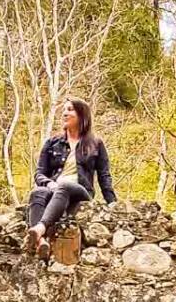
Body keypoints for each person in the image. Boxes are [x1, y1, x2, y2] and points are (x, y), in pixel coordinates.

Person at [23, 98, 116, 257]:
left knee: (65, 185)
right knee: (37, 192)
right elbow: (39, 173)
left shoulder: (96, 143)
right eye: (64, 110)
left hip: (80, 192)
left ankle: (40, 228)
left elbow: (104, 176)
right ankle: (41, 242)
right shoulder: (52, 143)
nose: (65, 113)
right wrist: (49, 183)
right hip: (54, 190)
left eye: (70, 110)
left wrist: (113, 204)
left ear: (82, 115)